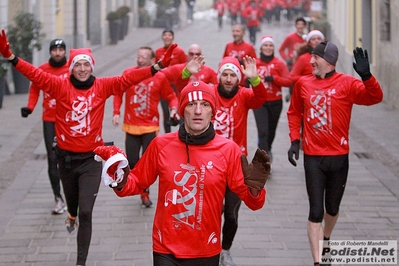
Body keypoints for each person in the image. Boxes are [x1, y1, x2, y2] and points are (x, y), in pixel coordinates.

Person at [0, 28, 177, 266]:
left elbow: (128, 79)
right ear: (71, 68)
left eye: (86, 65)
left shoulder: (102, 86)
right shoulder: (59, 86)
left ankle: (81, 262)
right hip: (65, 159)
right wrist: (11, 57)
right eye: (78, 65)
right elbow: (35, 75)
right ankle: (70, 213)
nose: (82, 69)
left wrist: (156, 68)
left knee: (86, 212)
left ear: (92, 66)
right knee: (72, 204)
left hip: (90, 161)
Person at [94, 79, 270, 266]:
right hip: (166, 247)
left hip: (206, 248)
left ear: (213, 112)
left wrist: (254, 189)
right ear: (182, 110)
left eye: (204, 105)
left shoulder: (229, 150)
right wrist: (120, 178)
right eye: (191, 104)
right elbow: (136, 182)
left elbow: (252, 202)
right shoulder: (161, 145)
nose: (197, 111)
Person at [287, 41, 383, 266]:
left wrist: (367, 76)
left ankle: (326, 237)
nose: (311, 61)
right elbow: (294, 113)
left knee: (332, 208)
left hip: (339, 157)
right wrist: (294, 140)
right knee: (315, 211)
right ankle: (319, 261)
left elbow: (375, 98)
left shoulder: (347, 84)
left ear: (328, 61)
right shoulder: (303, 83)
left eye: (316, 58)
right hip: (313, 157)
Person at [184, 56, 268, 266]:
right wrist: (186, 73)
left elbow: (260, 99)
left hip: (236, 163)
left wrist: (255, 80)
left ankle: (225, 249)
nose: (229, 79)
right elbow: (183, 93)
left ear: (238, 79)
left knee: (230, 213)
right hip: (207, 160)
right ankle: (203, 246)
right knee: (203, 209)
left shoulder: (244, 94)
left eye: (233, 75)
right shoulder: (209, 92)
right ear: (219, 76)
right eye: (225, 74)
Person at [112, 47, 179, 208]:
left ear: (152, 61)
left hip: (150, 127)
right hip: (131, 125)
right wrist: (116, 111)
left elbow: (170, 96)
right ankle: (137, 186)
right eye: (138, 56)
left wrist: (174, 109)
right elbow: (118, 91)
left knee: (147, 163)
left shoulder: (160, 77)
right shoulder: (128, 73)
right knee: (133, 162)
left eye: (144, 57)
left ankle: (145, 193)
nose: (140, 60)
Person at [20, 39, 69, 214]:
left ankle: (73, 195)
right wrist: (30, 107)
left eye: (61, 49)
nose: (57, 53)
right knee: (52, 158)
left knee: (69, 158)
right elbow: (34, 89)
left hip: (69, 120)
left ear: (65, 51)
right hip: (49, 119)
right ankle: (58, 197)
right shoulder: (42, 70)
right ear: (50, 52)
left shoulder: (72, 68)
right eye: (54, 50)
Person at [254, 36, 292, 164]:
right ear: (261, 48)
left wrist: (275, 79)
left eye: (271, 46)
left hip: (276, 102)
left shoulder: (279, 63)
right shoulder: (255, 63)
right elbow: (245, 79)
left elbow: (288, 81)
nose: (268, 48)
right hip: (259, 102)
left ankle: (267, 149)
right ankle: (264, 161)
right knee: (263, 131)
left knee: (271, 131)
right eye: (265, 45)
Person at [155, 29, 187, 133]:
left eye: (169, 35)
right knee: (165, 112)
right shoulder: (158, 52)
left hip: (176, 85)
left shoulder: (179, 51)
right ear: (162, 37)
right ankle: (167, 134)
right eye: (165, 35)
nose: (167, 37)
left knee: (179, 108)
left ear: (173, 37)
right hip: (163, 85)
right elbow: (155, 68)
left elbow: (185, 67)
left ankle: (181, 133)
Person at [278, 17, 307, 102]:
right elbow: (281, 49)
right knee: (292, 82)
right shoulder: (290, 37)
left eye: (302, 24)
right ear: (296, 26)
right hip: (292, 64)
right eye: (298, 24)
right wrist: (286, 58)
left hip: (303, 65)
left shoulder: (307, 39)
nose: (300, 26)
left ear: (305, 26)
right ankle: (291, 95)